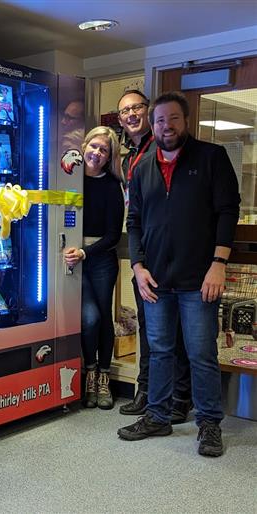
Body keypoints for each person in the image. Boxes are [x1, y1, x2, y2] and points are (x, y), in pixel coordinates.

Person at [117, 92, 240, 457]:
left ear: (186, 121)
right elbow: (135, 222)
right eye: (160, 121)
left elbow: (227, 212)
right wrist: (138, 267)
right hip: (155, 280)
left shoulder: (211, 158)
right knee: (160, 350)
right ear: (152, 125)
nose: (165, 126)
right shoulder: (142, 169)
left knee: (201, 353)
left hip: (199, 278)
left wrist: (219, 264)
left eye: (172, 119)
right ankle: (157, 416)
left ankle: (209, 424)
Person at [117, 90, 193, 423]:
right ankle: (147, 392)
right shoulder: (126, 156)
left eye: (136, 108)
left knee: (174, 334)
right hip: (143, 256)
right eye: (124, 112)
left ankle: (179, 397)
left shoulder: (164, 148)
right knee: (150, 330)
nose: (131, 115)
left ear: (148, 113)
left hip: (172, 258)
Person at [64, 126, 124, 410]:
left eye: (104, 150)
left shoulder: (113, 186)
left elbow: (114, 235)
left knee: (103, 318)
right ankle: (89, 371)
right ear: (84, 145)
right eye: (94, 146)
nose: (97, 153)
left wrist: (85, 252)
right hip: (73, 258)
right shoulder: (69, 179)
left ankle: (103, 378)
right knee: (89, 319)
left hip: (99, 260)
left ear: (109, 156)